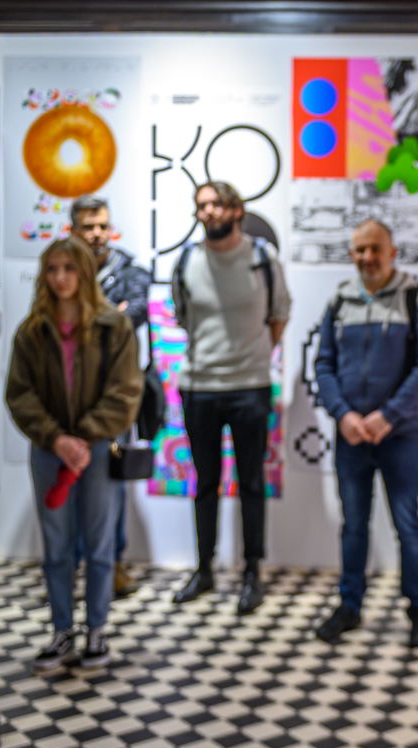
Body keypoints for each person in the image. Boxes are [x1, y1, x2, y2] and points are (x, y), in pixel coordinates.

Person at [6, 236, 142, 671]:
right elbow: (20, 394)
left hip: (97, 450)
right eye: (52, 269)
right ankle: (62, 631)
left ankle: (96, 631)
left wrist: (82, 437)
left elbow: (125, 391)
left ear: (84, 272)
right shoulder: (32, 330)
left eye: (69, 268)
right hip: (50, 452)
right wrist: (57, 439)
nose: (60, 278)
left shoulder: (113, 326)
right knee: (57, 546)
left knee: (100, 544)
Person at [313, 220, 418, 648]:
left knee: (407, 523)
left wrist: (388, 416)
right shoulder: (339, 300)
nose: (367, 257)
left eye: (375, 249)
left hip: (399, 436)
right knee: (353, 525)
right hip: (351, 437)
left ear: (392, 252)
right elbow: (324, 364)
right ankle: (349, 606)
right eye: (360, 250)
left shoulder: (415, 297)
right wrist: (344, 415)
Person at [170, 180, 292, 615]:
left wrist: (254, 356)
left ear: (237, 210)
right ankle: (204, 569)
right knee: (205, 483)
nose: (209, 211)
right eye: (202, 205)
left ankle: (252, 571)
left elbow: (280, 314)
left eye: (217, 204)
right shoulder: (187, 259)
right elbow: (183, 315)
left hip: (250, 386)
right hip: (199, 386)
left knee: (251, 483)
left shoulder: (263, 257)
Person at [69, 194, 152, 597]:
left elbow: (133, 315)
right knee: (69, 480)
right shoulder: (61, 269)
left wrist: (83, 316)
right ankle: (71, 565)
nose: (97, 233)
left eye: (103, 225)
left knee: (113, 481)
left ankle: (113, 564)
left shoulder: (131, 271)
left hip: (115, 397)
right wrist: (109, 314)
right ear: (73, 230)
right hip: (68, 395)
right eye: (88, 227)